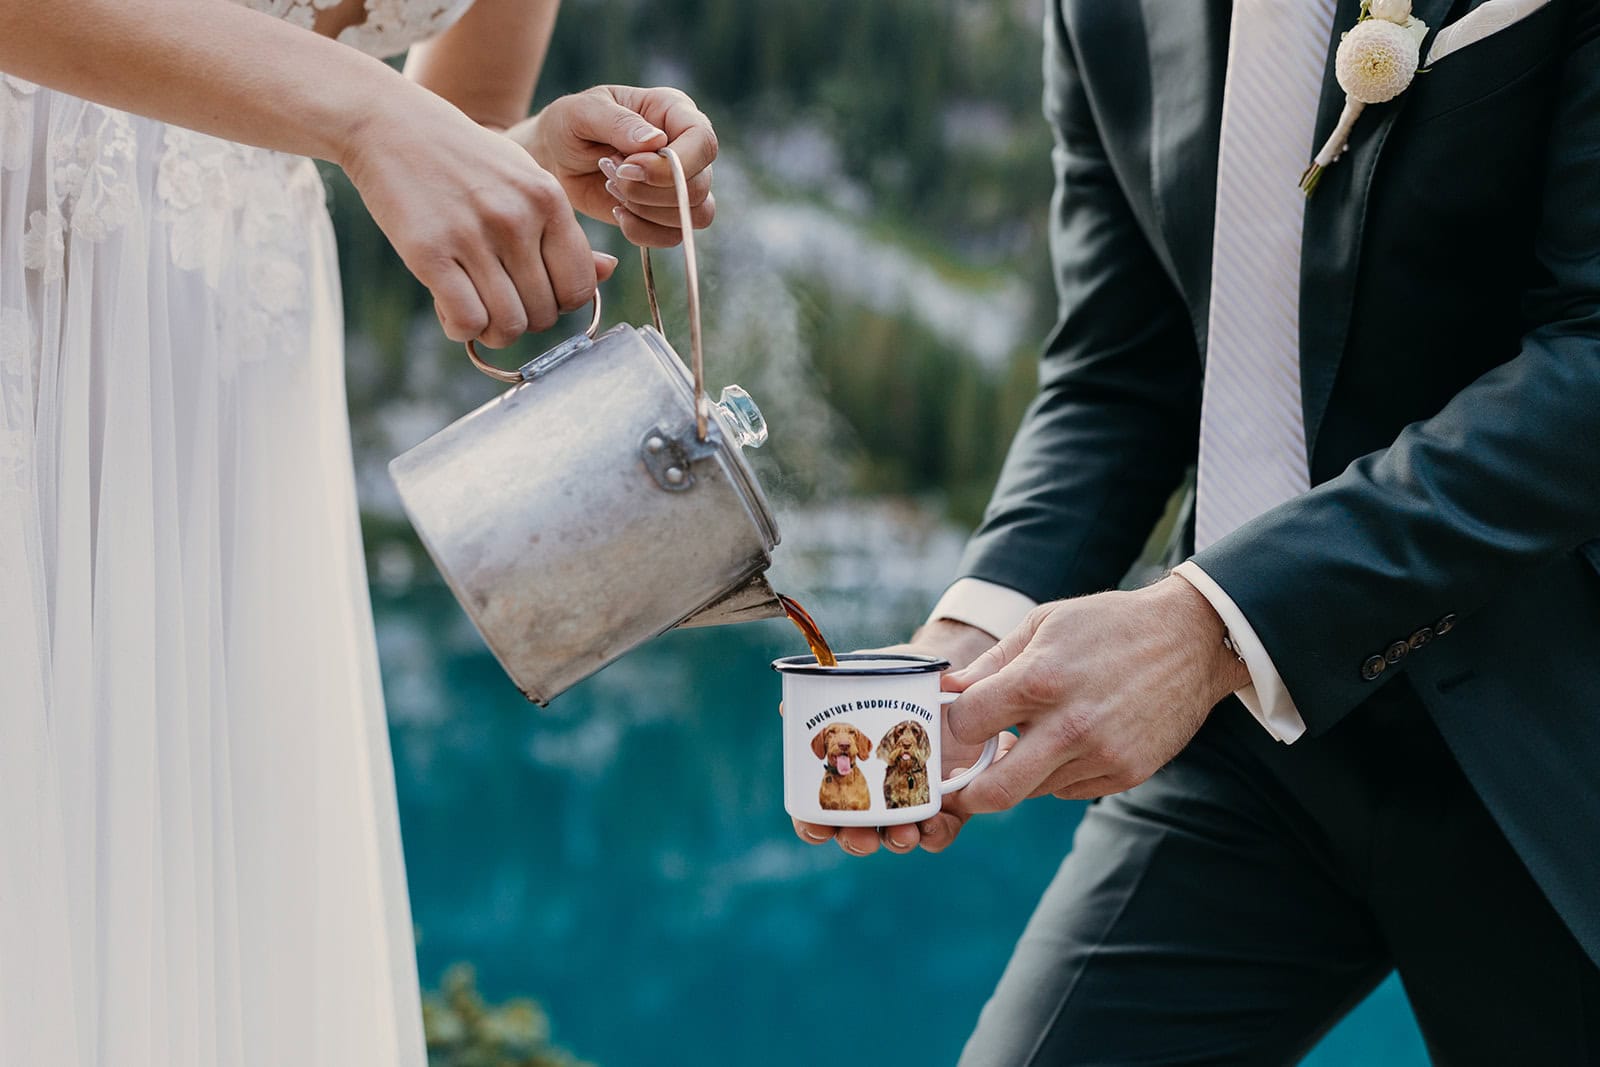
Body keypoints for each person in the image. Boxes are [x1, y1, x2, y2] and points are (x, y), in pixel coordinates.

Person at [793, 0, 1600, 1060]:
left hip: (1560, 721)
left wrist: (1211, 626)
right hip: (1247, 745)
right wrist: (971, 640)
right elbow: (1119, 370)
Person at [0, 1, 714, 1062]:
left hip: (230, 393)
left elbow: (450, 120)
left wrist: (512, 171)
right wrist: (368, 119)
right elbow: (369, 117)